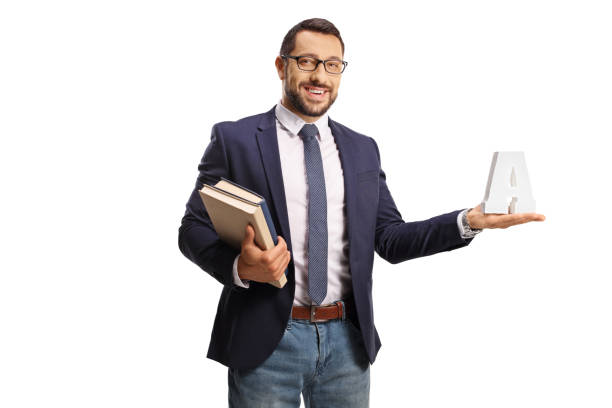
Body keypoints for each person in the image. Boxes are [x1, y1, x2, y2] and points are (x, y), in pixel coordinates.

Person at [178, 18, 545, 408]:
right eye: (307, 61)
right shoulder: (235, 139)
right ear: (281, 66)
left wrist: (468, 221)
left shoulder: (361, 149)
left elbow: (389, 238)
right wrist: (241, 268)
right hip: (268, 339)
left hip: (346, 342)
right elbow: (193, 229)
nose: (320, 75)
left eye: (333, 64)